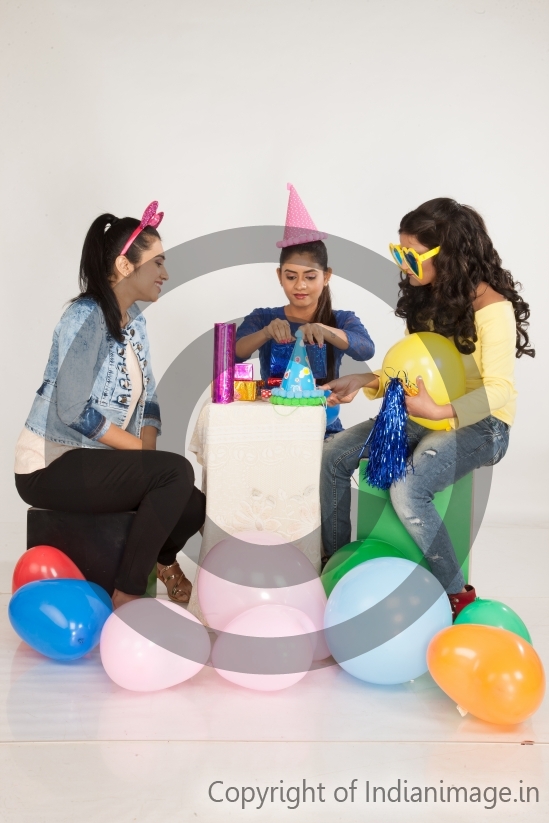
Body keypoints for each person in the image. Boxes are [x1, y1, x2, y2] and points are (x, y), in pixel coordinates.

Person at [321, 197, 534, 617]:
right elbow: (416, 370)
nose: (403, 264)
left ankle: (457, 595)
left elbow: (500, 391)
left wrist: (440, 412)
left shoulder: (494, 310)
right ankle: (336, 570)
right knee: (332, 457)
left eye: (411, 255)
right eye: (398, 253)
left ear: (450, 255)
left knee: (409, 488)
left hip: (483, 425)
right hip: (421, 414)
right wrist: (369, 380)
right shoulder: (427, 300)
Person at [14, 202, 205, 609]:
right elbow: (71, 409)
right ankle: (127, 594)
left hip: (98, 462)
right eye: (157, 263)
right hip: (51, 463)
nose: (165, 274)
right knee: (175, 472)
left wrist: (148, 456)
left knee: (192, 503)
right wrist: (142, 456)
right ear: (124, 266)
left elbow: (149, 395)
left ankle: (163, 559)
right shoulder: (84, 318)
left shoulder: (134, 321)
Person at [235, 184, 375, 434]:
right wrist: (266, 333)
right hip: (272, 425)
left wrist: (325, 329)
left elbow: (366, 350)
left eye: (310, 277)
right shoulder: (263, 317)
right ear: (279, 276)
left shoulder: (341, 319)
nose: (300, 285)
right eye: (291, 277)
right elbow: (235, 353)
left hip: (325, 428)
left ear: (326, 276)